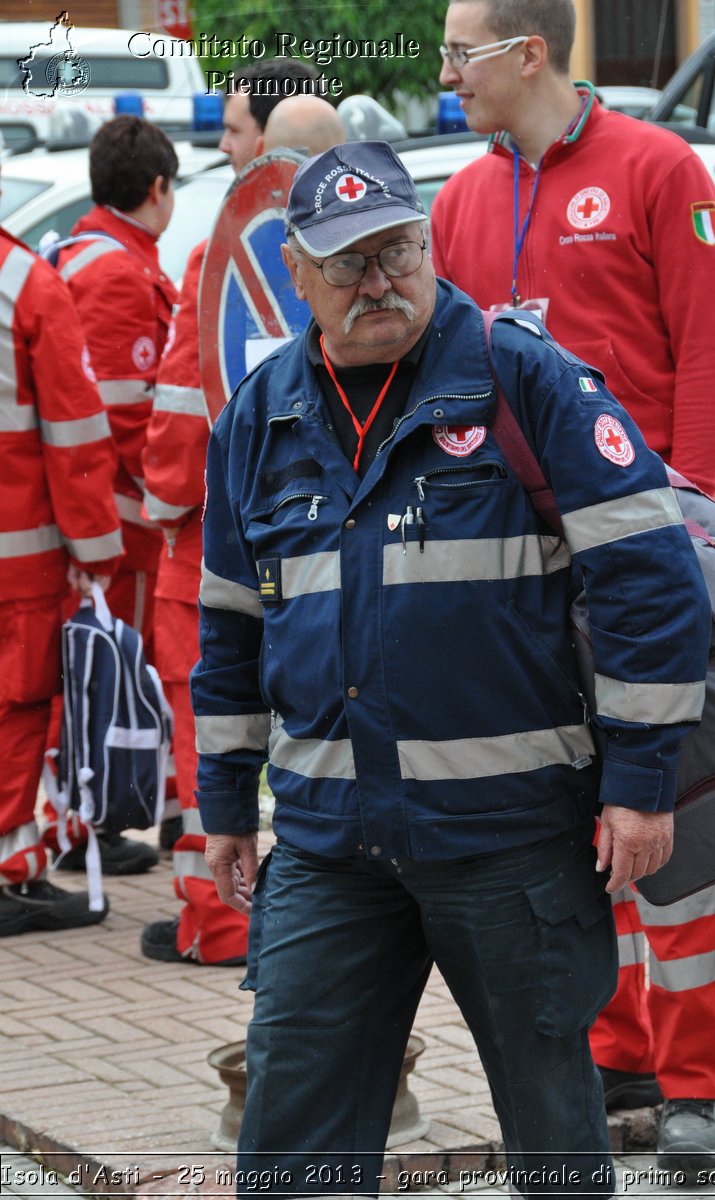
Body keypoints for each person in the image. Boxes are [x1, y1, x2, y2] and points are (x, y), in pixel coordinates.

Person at [190, 139, 712, 1194]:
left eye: (396, 251)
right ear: (295, 273)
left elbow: (650, 581)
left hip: (508, 844)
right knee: (290, 1148)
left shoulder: (524, 378)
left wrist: (640, 785)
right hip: (331, 849)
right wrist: (223, 808)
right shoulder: (259, 417)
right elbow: (230, 630)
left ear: (428, 244)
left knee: (556, 1143)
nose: (377, 281)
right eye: (346, 263)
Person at [431, 0, 715, 1170]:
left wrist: (696, 521)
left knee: (670, 800)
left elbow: (708, 344)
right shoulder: (459, 200)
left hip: (641, 556)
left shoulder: (658, 167)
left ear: (525, 52)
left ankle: (697, 1086)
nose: (444, 71)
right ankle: (616, 1050)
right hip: (514, 568)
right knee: (570, 812)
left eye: (460, 52)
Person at [138, 74, 343, 966]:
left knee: (211, 736)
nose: (224, 149)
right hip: (326, 553)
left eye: (232, 133)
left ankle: (217, 921)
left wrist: (155, 501)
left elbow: (189, 422)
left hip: (211, 553)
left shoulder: (220, 257)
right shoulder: (371, 253)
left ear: (269, 145)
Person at [39, 114, 180, 877]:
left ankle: (119, 809)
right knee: (98, 676)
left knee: (104, 673)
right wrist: (169, 498)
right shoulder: (118, 274)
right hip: (122, 524)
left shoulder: (82, 252)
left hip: (100, 518)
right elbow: (123, 416)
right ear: (158, 188)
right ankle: (85, 825)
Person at [0, 217, 123, 936]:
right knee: (17, 706)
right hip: (19, 549)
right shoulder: (24, 282)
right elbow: (74, 427)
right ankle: (12, 871)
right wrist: (95, 548)